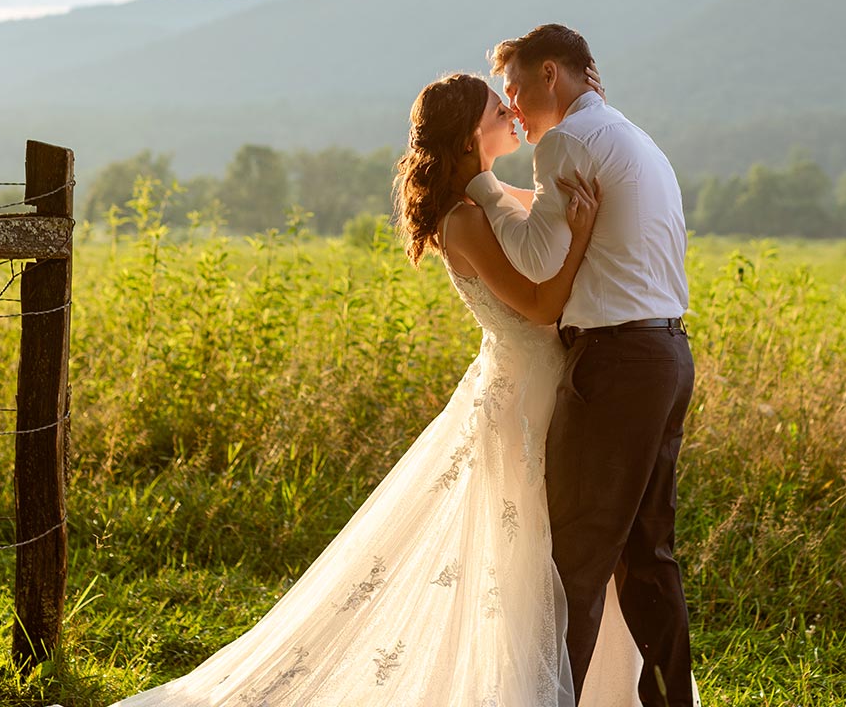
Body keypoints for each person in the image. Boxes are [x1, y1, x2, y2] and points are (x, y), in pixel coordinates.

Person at [105, 69, 656, 705]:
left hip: (546, 382)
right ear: (467, 134)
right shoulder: (462, 219)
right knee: (531, 556)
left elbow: (544, 217)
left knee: (571, 548)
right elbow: (537, 307)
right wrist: (584, 234)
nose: (509, 109)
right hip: (527, 392)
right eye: (493, 107)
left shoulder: (488, 197)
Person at [461, 24, 695, 707]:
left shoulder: (568, 141)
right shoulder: (626, 134)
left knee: (576, 563)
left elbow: (538, 262)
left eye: (515, 90)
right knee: (648, 556)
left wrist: (484, 194)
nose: (514, 111)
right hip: (666, 352)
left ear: (551, 75)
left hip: (617, 363)